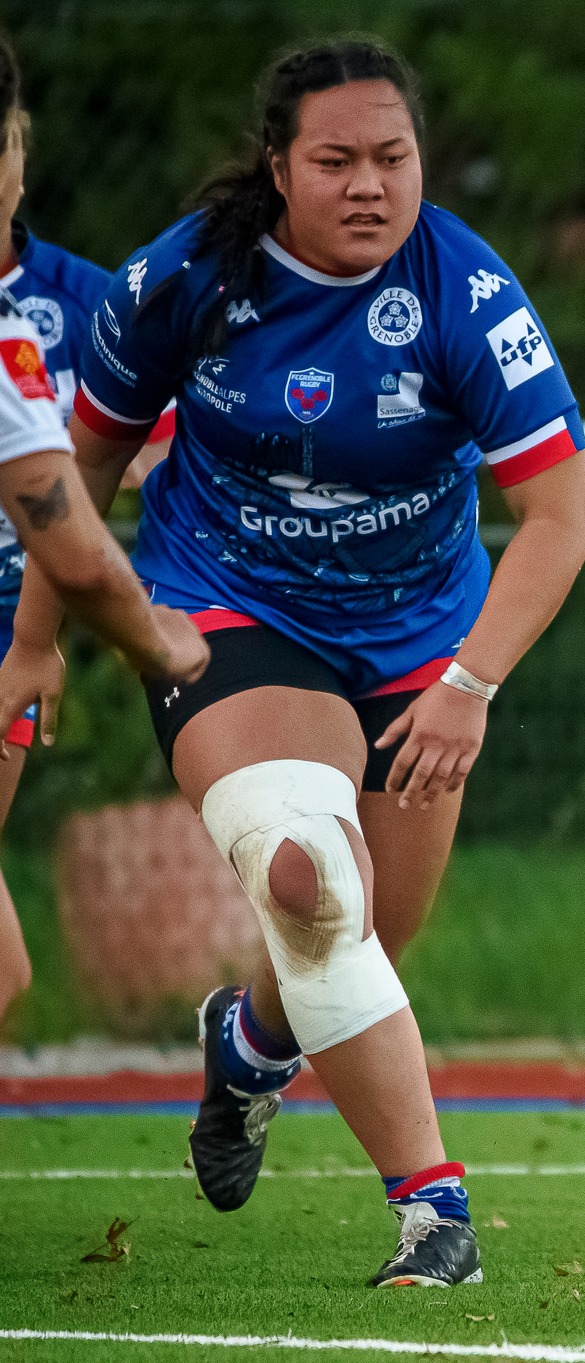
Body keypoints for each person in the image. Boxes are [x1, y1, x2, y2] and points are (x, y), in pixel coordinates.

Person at [2, 38, 585, 1287]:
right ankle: (435, 1215)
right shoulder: (185, 278)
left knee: (364, 928)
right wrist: (36, 646)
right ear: (279, 168)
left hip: (421, 642)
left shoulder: (464, 289)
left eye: (394, 157)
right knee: (310, 878)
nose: (371, 184)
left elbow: (561, 515)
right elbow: (79, 470)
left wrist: (468, 685)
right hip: (226, 610)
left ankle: (252, 1046)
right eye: (336, 160)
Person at [0, 34, 198, 1022]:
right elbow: (66, 526)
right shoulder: (7, 347)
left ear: (20, 150)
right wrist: (157, 637)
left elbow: (149, 470)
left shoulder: (81, 307)